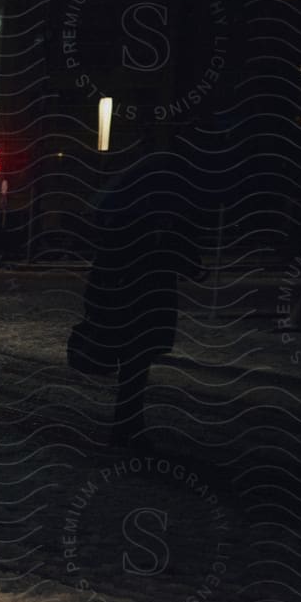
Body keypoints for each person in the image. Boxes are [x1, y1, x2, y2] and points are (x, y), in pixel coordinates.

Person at [78, 147, 204, 448]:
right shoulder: (159, 216)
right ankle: (127, 427)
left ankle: (127, 425)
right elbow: (177, 254)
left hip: (118, 297)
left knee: (131, 364)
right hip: (145, 300)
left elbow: (103, 263)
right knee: (136, 365)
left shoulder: (119, 214)